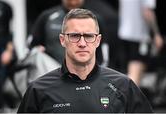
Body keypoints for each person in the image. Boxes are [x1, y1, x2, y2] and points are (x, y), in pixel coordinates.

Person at [18, 8, 153, 113]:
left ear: (98, 40)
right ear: (62, 40)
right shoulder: (38, 90)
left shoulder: (123, 86)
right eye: (75, 35)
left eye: (89, 36)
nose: (82, 43)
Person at [117, 0, 164, 85]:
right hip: (138, 36)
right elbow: (147, 12)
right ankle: (127, 97)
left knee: (128, 73)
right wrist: (156, 34)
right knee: (135, 74)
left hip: (123, 34)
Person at [0, 0, 13, 110]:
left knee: (1, 82)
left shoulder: (4, 7)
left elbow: (9, 31)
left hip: (1, 49)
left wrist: (9, 50)